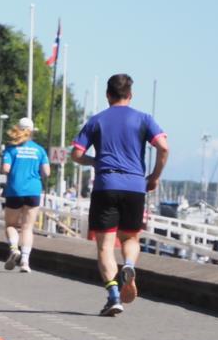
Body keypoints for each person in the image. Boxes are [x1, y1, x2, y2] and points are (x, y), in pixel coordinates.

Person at [71, 73, 168, 317]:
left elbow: (76, 153)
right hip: (135, 185)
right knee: (130, 238)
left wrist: (95, 161)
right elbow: (164, 147)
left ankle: (114, 294)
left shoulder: (97, 120)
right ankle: (130, 265)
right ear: (130, 95)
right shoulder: (144, 119)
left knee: (105, 246)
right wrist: (154, 177)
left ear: (108, 95)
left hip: (106, 183)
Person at [1, 118, 50, 273]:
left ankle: (14, 248)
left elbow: (6, 169)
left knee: (11, 225)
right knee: (27, 227)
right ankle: (25, 261)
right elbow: (46, 172)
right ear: (32, 131)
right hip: (33, 190)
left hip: (15, 190)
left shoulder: (11, 149)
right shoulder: (39, 150)